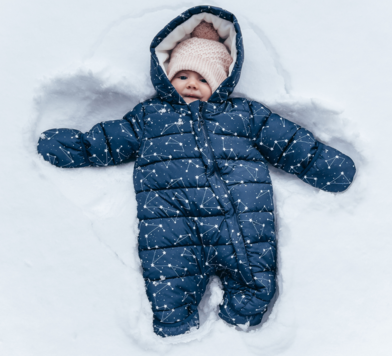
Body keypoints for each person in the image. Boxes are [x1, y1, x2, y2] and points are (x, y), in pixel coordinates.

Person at [37, 6, 356, 337]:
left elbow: (288, 142)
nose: (191, 84)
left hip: (240, 223)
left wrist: (324, 165)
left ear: (221, 82)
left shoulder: (243, 114)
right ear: (166, 76)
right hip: (173, 228)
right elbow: (108, 140)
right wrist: (74, 147)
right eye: (182, 76)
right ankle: (176, 331)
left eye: (203, 78)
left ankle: (241, 325)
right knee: (170, 288)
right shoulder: (150, 117)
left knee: (253, 280)